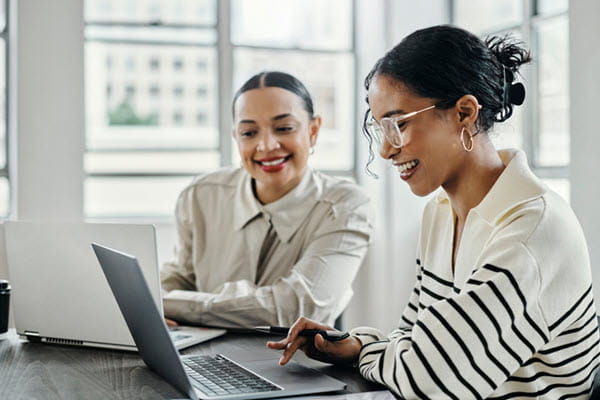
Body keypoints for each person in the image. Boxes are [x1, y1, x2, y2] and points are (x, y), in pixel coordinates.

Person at [268, 25, 600, 398]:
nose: (386, 151)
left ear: (464, 112)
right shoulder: (440, 213)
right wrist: (357, 346)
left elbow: (429, 381)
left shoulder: (532, 229)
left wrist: (370, 352)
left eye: (400, 124)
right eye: (381, 129)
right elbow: (413, 339)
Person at [160, 71, 372, 328]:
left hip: (298, 363)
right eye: (249, 133)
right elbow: (180, 277)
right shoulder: (201, 195)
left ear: (313, 131)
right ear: (236, 137)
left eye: (284, 128)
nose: (267, 145)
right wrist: (151, 301)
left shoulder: (345, 205)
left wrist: (170, 303)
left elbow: (297, 310)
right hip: (204, 356)